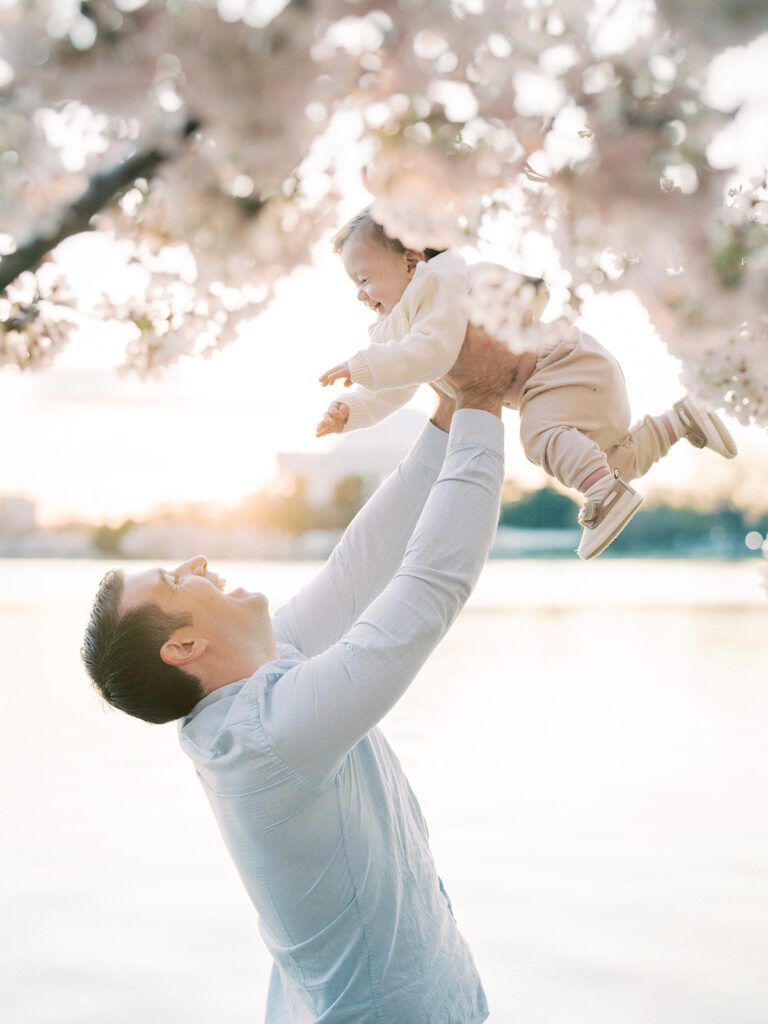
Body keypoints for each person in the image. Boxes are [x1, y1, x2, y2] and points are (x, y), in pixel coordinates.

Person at [81, 325, 515, 1024]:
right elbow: (426, 590)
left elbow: (361, 567)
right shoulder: (269, 734)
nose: (193, 562)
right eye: (171, 578)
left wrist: (449, 408)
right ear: (184, 645)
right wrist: (486, 402)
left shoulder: (251, 688)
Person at [317, 208, 738, 559]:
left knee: (539, 437)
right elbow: (401, 378)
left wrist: (363, 364)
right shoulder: (411, 322)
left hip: (561, 368)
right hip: (575, 383)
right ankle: (679, 422)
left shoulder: (441, 286)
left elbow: (433, 353)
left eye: (364, 280)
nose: (360, 295)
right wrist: (352, 410)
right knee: (614, 464)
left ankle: (604, 498)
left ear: (410, 261)